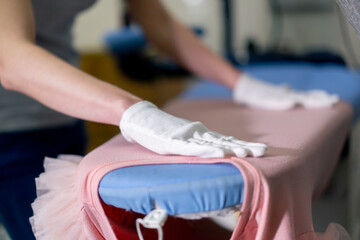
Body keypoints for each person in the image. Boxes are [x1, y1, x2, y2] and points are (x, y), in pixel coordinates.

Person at [0, 0, 338, 239]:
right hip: (9, 131)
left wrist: (242, 84)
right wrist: (134, 112)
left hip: (63, 115)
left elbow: (159, 25)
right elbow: (10, 60)